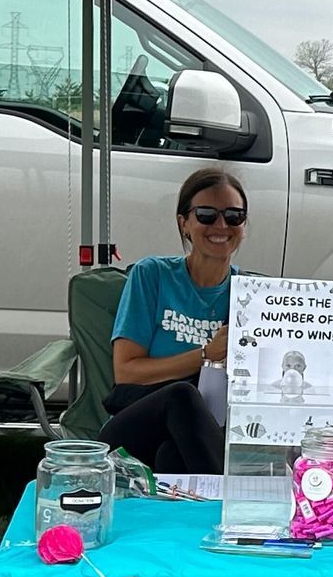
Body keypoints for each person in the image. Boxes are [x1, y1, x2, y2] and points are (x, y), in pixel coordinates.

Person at [98, 167, 248, 474]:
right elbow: (126, 371)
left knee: (172, 456)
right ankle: (224, 501)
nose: (221, 224)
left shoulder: (250, 295)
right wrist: (207, 355)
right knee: (182, 395)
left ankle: (196, 518)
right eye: (207, 215)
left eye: (234, 216)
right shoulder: (152, 275)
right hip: (132, 430)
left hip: (205, 434)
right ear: (184, 223)